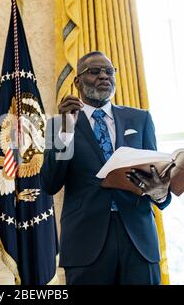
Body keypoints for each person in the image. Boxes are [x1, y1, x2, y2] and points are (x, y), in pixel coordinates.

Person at [41, 51, 175, 285]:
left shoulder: (140, 119)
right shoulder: (58, 124)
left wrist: (161, 191)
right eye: (94, 71)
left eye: (109, 71)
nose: (103, 76)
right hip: (86, 244)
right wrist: (66, 132)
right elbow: (50, 183)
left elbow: (157, 176)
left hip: (138, 241)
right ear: (77, 82)